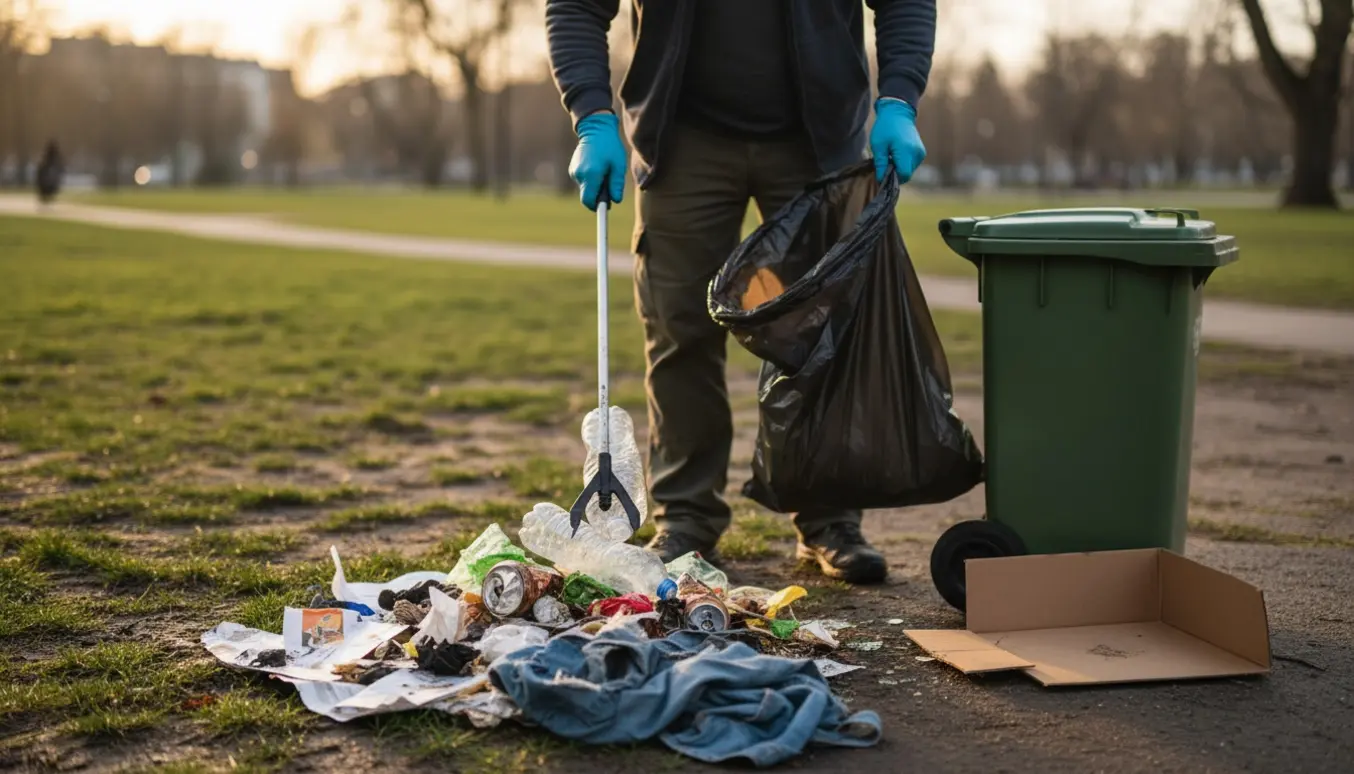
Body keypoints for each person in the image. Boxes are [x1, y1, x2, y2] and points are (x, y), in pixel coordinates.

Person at [547, 0, 933, 584]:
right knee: (679, 328)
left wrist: (899, 100)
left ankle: (829, 518)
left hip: (816, 140)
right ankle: (687, 519)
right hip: (681, 139)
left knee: (822, 333)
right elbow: (576, 7)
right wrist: (592, 116)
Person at [36, 140, 64, 205]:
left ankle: (47, 194)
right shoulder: (51, 157)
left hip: (51, 170)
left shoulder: (53, 157)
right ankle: (46, 195)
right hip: (50, 170)